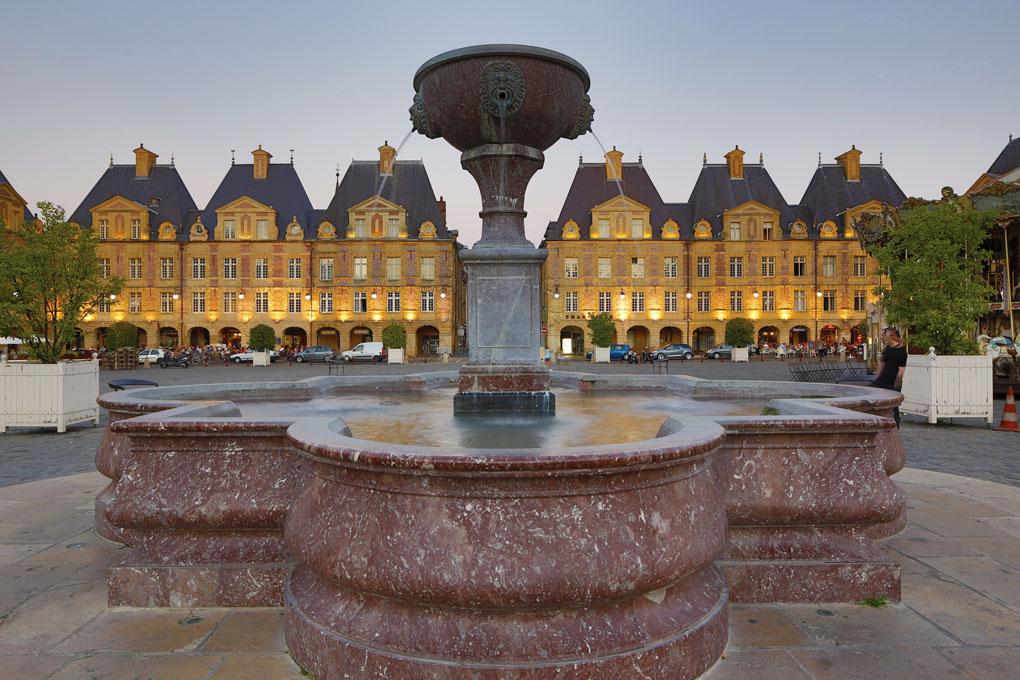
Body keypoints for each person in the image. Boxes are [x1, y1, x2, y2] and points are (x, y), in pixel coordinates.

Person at [872, 327, 908, 427]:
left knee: (893, 405)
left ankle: (895, 425)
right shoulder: (888, 349)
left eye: (886, 335)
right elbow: (883, 364)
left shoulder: (901, 351)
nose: (884, 338)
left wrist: (897, 382)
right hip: (882, 380)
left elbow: (901, 369)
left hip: (892, 381)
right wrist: (878, 377)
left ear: (891, 336)